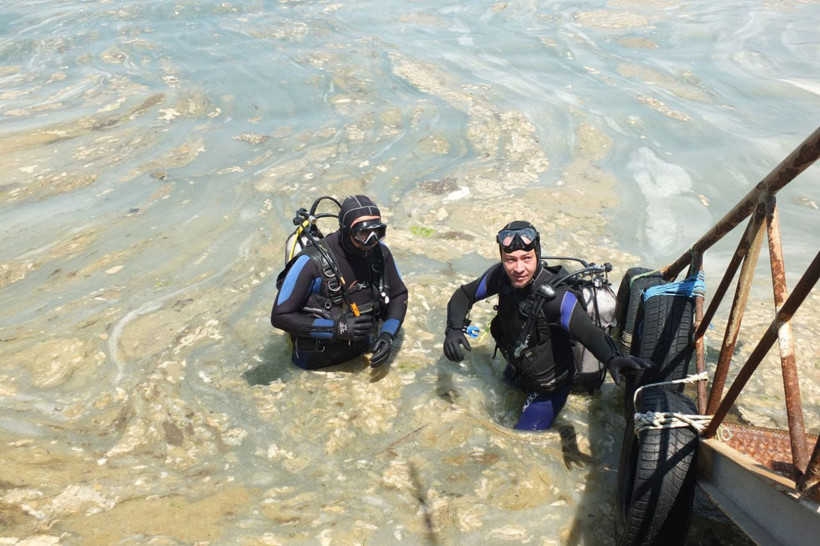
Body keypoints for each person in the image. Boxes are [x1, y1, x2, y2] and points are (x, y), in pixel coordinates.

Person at [442, 220, 653, 430]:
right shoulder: (499, 276)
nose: (519, 268)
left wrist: (612, 358)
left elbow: (589, 333)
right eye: (510, 260)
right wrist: (453, 329)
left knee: (522, 440)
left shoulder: (557, 299)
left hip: (549, 387)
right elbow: (464, 294)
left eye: (526, 258)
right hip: (518, 370)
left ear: (537, 254)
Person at [271, 195, 408, 370]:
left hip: (364, 352)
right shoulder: (311, 262)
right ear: (345, 231)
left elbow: (398, 294)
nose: (371, 241)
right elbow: (280, 317)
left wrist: (387, 335)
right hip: (316, 364)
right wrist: (337, 328)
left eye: (377, 232)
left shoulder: (380, 254)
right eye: (362, 233)